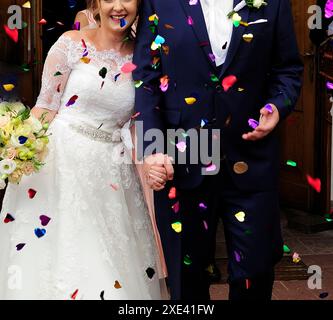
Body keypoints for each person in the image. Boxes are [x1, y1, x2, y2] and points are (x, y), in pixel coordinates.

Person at [133, 0, 304, 300]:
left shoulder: (273, 2)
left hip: (250, 153)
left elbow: (288, 69)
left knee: (255, 271)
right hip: (184, 153)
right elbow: (146, 78)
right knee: (187, 278)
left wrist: (277, 107)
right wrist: (152, 148)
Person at [0, 0, 167, 300]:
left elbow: (138, 122)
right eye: (109, 0)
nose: (118, 7)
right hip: (61, 163)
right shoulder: (71, 44)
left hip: (113, 171)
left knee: (111, 262)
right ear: (97, 5)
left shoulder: (144, 59)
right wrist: (18, 146)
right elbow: (46, 106)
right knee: (65, 254)